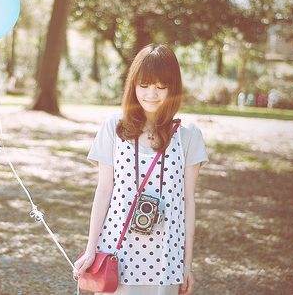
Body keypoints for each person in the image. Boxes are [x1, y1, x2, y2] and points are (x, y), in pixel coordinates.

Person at [74, 44, 208, 295]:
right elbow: (104, 190)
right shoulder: (114, 127)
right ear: (133, 85)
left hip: (166, 259)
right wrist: (91, 250)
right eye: (144, 85)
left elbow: (188, 201)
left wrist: (187, 264)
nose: (152, 94)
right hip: (117, 254)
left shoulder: (189, 135)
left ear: (173, 87)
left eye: (161, 86)